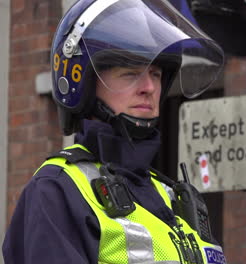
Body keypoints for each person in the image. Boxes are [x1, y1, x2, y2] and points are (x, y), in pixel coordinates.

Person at [3, 0, 226, 263]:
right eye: (130, 74)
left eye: (155, 74)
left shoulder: (172, 197)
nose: (149, 87)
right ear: (84, 83)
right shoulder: (58, 190)